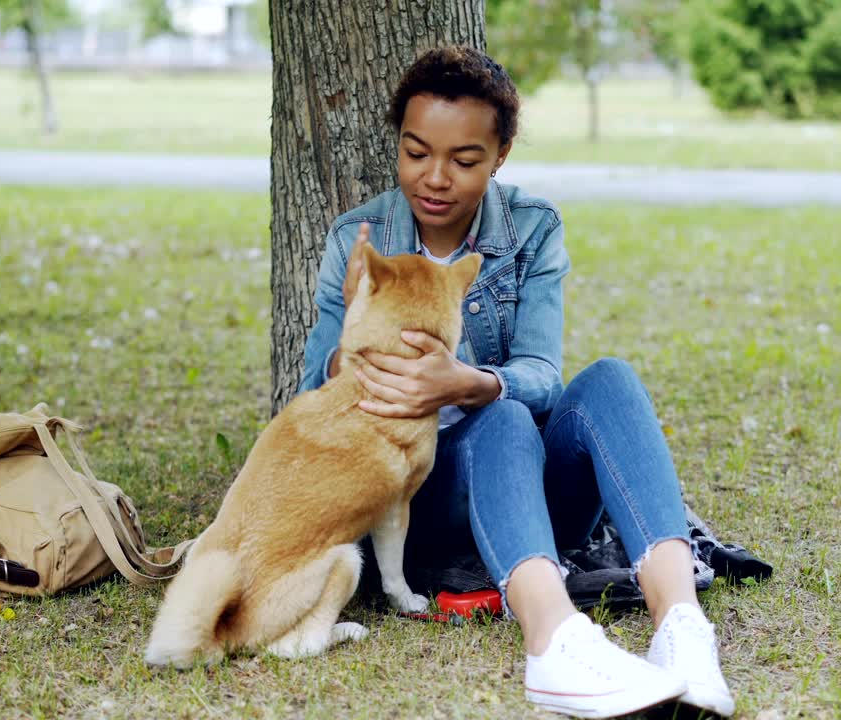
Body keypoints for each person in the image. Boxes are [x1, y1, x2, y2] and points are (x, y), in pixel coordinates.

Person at [296, 46, 735, 719]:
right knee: (497, 417)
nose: (435, 177)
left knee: (601, 381)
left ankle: (681, 632)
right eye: (416, 153)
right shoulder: (358, 238)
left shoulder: (532, 228)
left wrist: (462, 381)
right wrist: (358, 335)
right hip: (415, 504)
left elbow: (541, 377)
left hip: (524, 495)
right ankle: (554, 640)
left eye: (464, 160)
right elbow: (305, 396)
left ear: (499, 157)